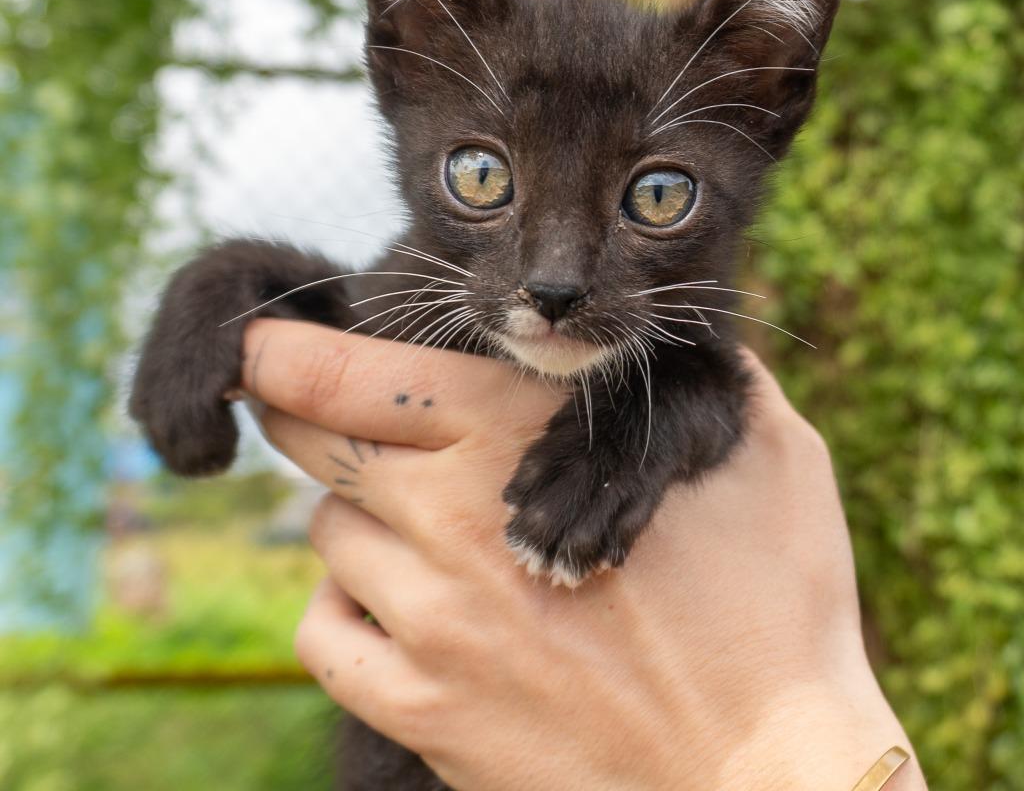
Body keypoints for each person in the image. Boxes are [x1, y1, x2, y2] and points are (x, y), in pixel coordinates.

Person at [240, 317, 927, 790]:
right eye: (484, 179)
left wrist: (729, 760)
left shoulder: (688, 368)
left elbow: (712, 385)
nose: (556, 276)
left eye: (657, 195)